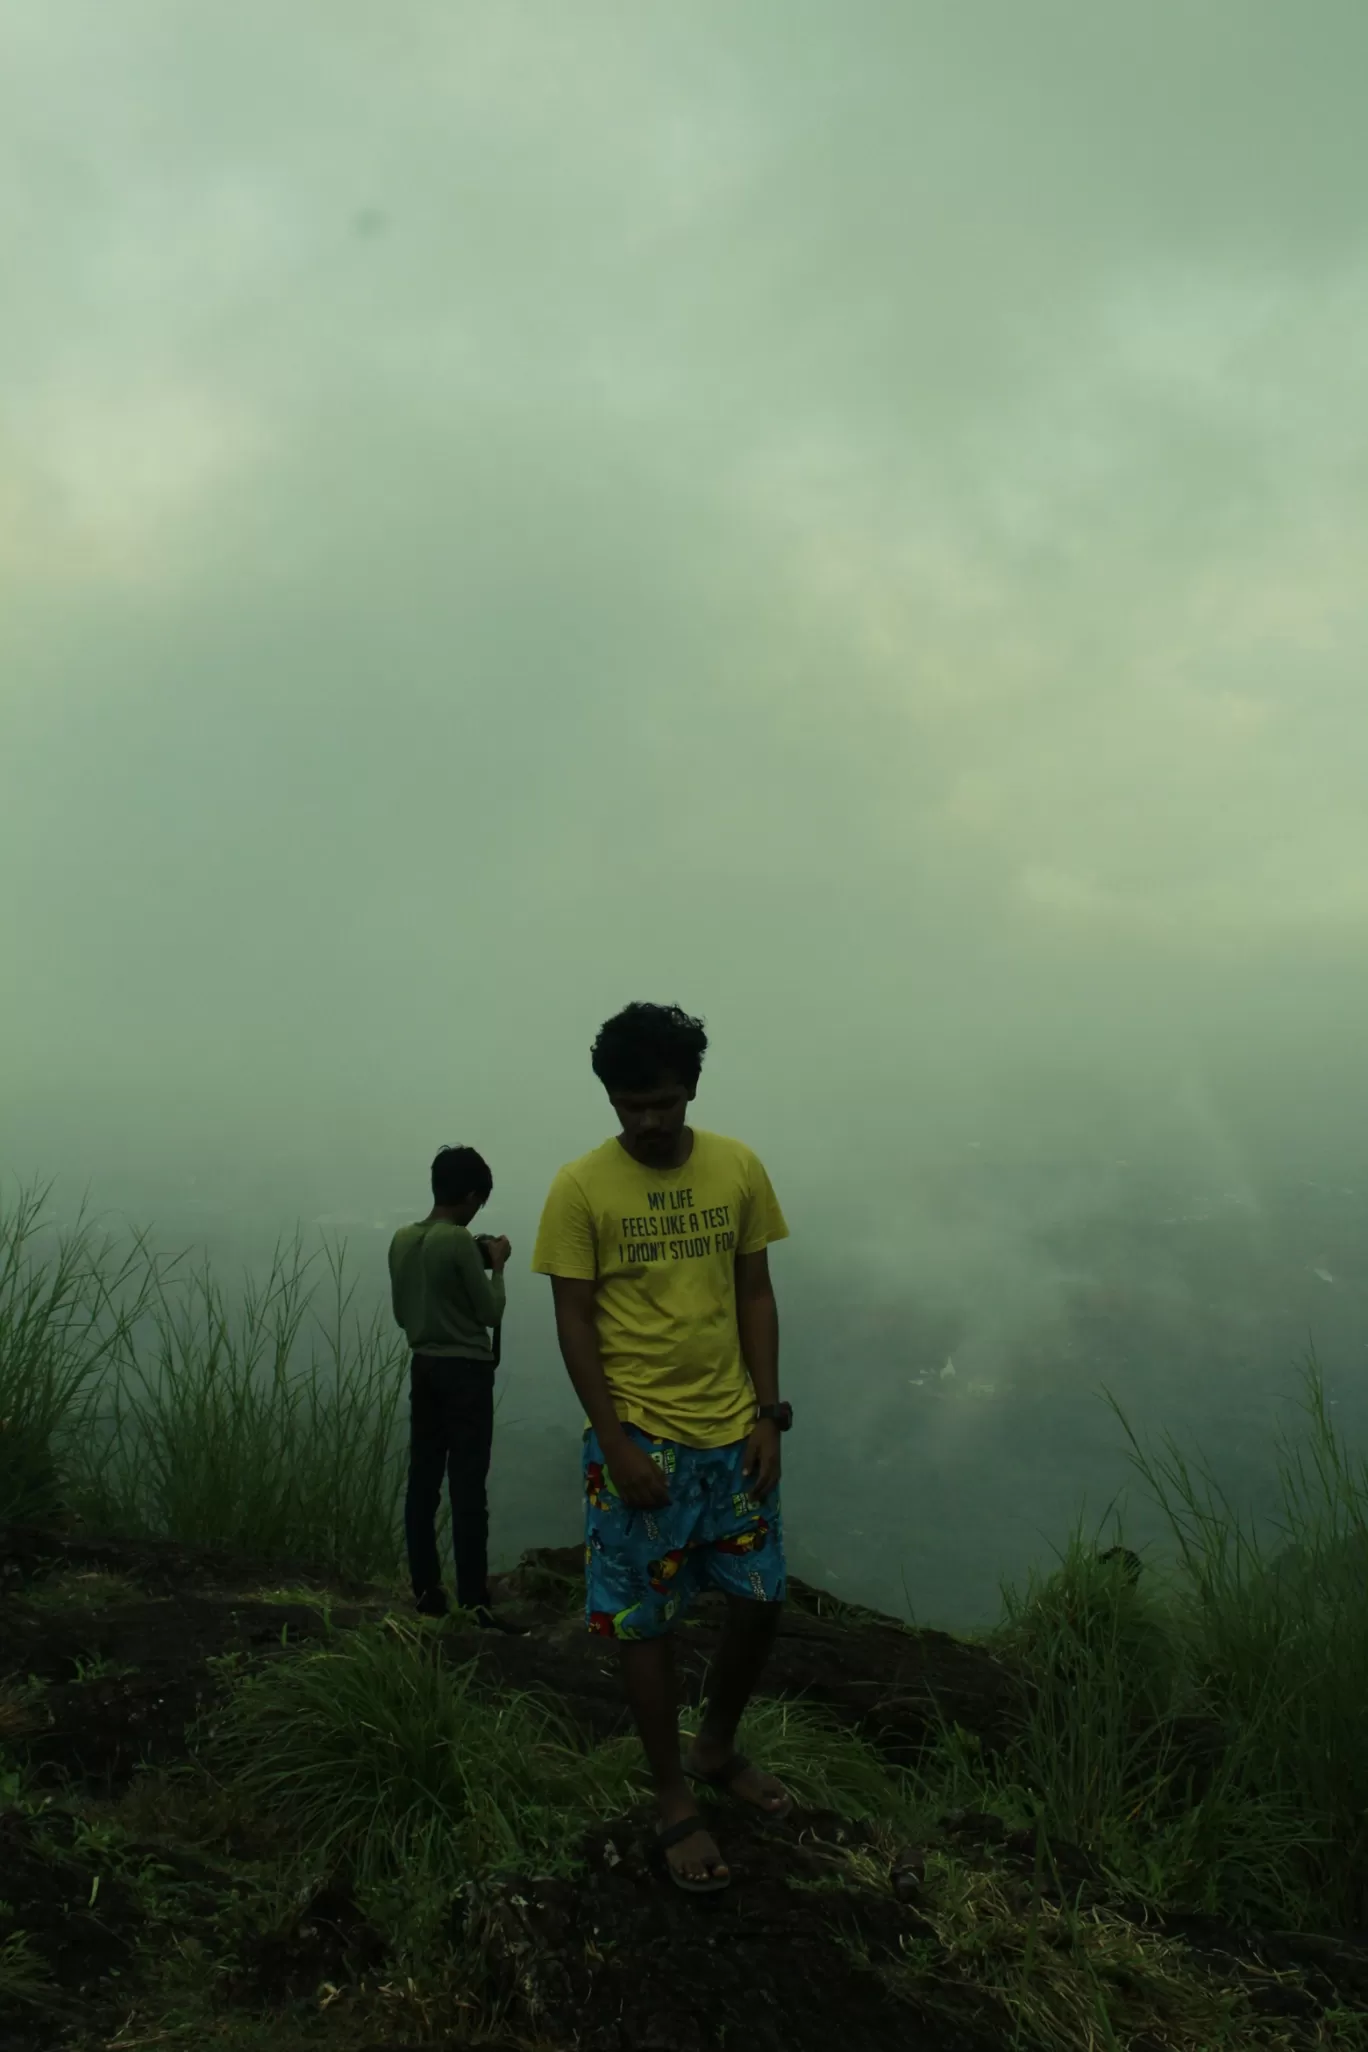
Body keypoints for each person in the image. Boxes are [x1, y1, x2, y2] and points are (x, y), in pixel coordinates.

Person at [531, 1002, 794, 1893]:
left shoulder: (738, 1168)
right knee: (645, 1622)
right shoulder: (580, 1188)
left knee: (760, 1599)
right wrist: (614, 1443)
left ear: (691, 1091)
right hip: (643, 1440)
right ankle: (673, 1796)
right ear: (609, 1097)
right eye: (630, 1104)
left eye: (665, 1102)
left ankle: (716, 1743)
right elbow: (573, 1320)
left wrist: (769, 1414)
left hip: (734, 1434)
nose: (648, 1121)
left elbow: (754, 1292)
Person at [388, 1143, 517, 1630]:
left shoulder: (402, 1239)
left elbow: (404, 1314)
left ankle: (426, 1592)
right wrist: (498, 1265)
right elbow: (489, 1312)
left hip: (423, 1366)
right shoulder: (458, 1242)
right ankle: (475, 1601)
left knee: (422, 1482)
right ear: (470, 1195)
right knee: (467, 1489)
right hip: (465, 1372)